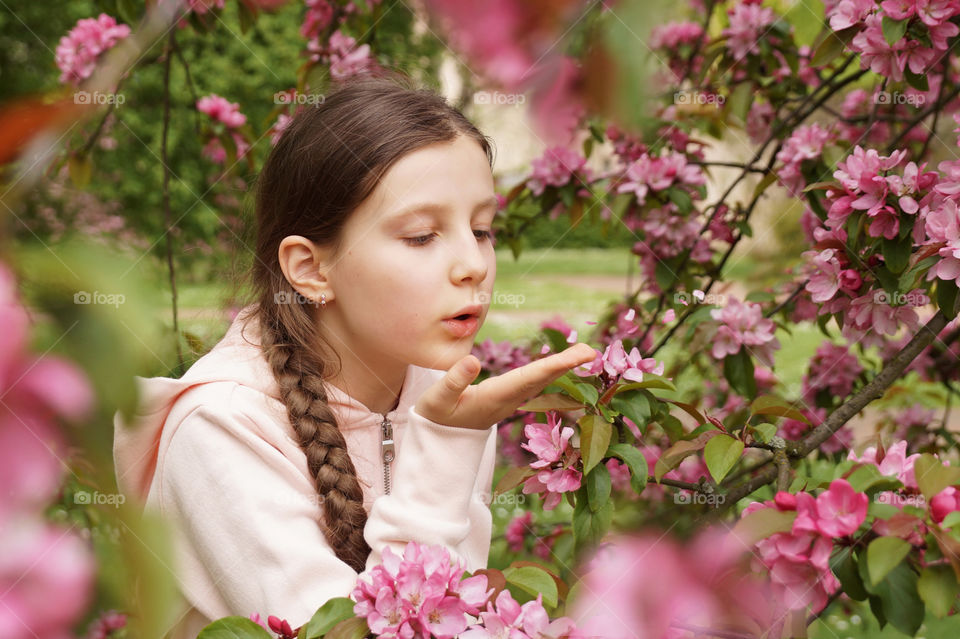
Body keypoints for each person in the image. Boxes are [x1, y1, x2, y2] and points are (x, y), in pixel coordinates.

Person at [112, 72, 595, 639]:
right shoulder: (221, 428)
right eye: (421, 236)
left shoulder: (449, 400)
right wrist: (445, 444)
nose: (474, 265)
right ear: (312, 269)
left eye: (483, 229)